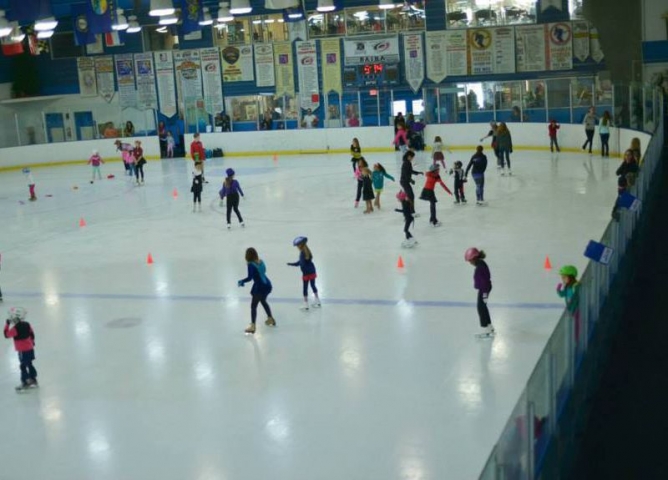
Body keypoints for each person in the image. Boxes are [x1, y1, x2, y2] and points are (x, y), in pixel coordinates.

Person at [238, 248, 276, 334]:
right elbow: (264, 271)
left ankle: (253, 326)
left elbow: (250, 278)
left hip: (260, 287)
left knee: (253, 306)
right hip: (267, 285)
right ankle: (270, 319)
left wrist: (242, 281)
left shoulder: (251, 265)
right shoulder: (261, 261)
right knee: (263, 301)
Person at [3, 307, 38, 391]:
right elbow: (32, 334)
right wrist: (32, 342)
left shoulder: (15, 328)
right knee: (29, 364)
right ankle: (33, 379)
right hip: (30, 348)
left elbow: (6, 335)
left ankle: (25, 382)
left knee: (23, 366)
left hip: (22, 350)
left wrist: (7, 324)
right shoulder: (27, 324)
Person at [464, 248, 495, 338]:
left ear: (474, 259)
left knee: (480, 308)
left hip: (484, 289)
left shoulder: (480, 268)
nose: (470, 263)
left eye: (470, 261)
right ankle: (489, 327)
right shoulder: (481, 264)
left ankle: (485, 328)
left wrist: (485, 295)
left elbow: (484, 281)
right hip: (484, 289)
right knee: (483, 307)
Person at [287, 236, 321, 311]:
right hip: (312, 271)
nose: (297, 247)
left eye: (297, 246)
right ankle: (318, 301)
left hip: (306, 274)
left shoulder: (302, 253)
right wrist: (292, 264)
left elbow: (301, 264)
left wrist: (292, 264)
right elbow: (303, 262)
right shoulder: (308, 251)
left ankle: (306, 305)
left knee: (305, 288)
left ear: (299, 245)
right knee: (313, 285)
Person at [611, 149, 640, 221]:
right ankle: (617, 213)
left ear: (632, 156)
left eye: (629, 155)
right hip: (621, 188)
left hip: (627, 188)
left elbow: (630, 176)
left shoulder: (633, 166)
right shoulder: (625, 163)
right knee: (620, 202)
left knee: (620, 202)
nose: (627, 156)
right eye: (626, 155)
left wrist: (626, 175)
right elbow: (617, 172)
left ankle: (617, 214)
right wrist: (625, 163)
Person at [557, 265, 580, 341]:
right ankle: (573, 339)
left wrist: (573, 308)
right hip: (571, 310)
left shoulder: (576, 286)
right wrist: (558, 290)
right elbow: (562, 294)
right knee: (572, 326)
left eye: (564, 277)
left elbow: (578, 298)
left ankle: (576, 340)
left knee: (577, 326)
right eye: (562, 277)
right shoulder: (568, 286)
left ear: (571, 277)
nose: (562, 279)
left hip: (577, 310)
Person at [400, 150, 422, 215]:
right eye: (412, 157)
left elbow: (410, 171)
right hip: (405, 182)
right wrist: (411, 180)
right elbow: (406, 173)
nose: (412, 159)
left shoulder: (406, 162)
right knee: (411, 196)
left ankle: (409, 210)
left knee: (410, 196)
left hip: (404, 181)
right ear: (409, 156)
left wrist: (418, 173)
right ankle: (411, 212)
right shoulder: (407, 163)